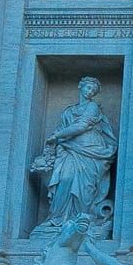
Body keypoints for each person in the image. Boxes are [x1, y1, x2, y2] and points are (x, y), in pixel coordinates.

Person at [31, 77, 117, 232]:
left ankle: (81, 221)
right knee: (64, 179)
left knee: (86, 187)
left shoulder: (93, 107)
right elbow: (64, 129)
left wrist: (57, 136)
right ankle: (57, 218)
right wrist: (57, 141)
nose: (90, 92)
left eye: (93, 90)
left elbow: (82, 126)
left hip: (91, 150)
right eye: (88, 88)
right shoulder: (69, 111)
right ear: (80, 86)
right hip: (70, 149)